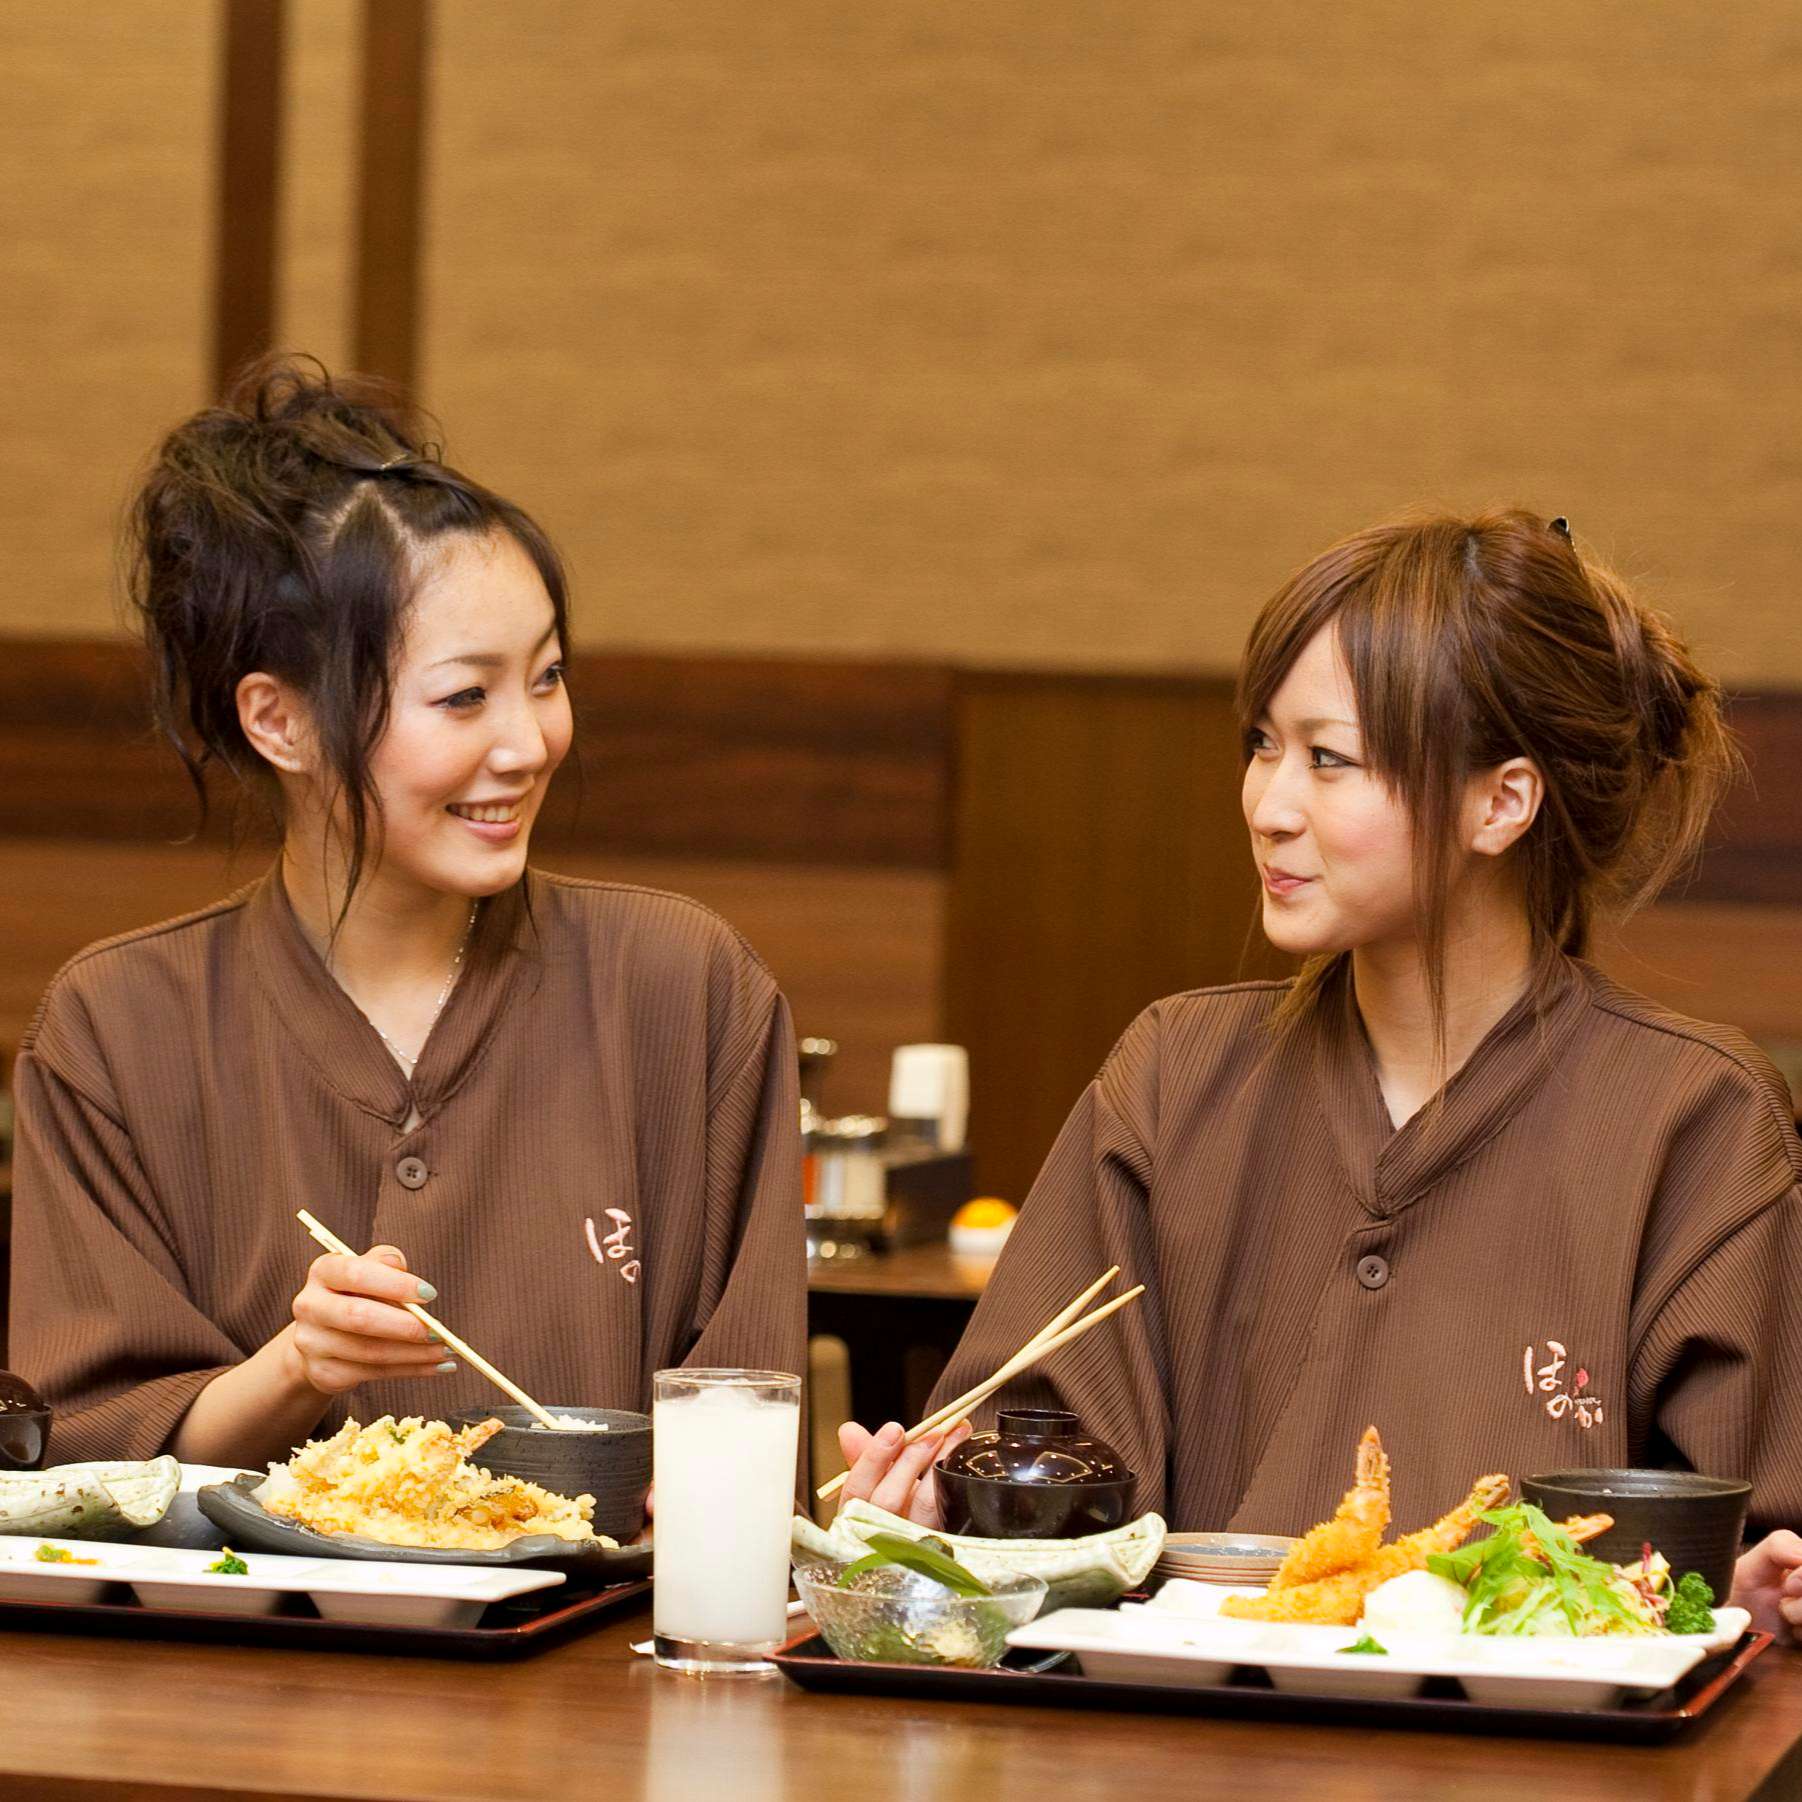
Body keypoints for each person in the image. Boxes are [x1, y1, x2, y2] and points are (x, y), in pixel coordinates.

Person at [837, 510, 1802, 1643]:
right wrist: (933, 1522)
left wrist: (1749, 1597)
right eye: (1262, 744)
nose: (1268, 804)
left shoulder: (1692, 1117)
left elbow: (1731, 1560)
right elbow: (1030, 1465)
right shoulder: (1174, 1077)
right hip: (1181, 1724)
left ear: (1501, 801)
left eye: (1327, 758)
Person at [10, 358, 804, 1467]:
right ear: (279, 722)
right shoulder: (118, 1024)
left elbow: (748, 1426)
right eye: (464, 695)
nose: (528, 743)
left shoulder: (684, 985)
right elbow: (88, 1463)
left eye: (547, 677)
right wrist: (296, 1366)